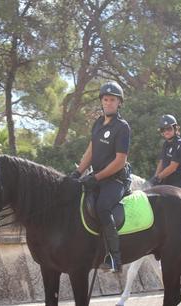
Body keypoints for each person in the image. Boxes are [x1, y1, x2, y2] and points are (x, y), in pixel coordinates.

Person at [69, 81, 131, 273]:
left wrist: (96, 177)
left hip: (115, 180)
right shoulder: (98, 123)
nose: (108, 103)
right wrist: (79, 172)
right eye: (105, 99)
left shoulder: (122, 127)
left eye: (112, 100)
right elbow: (91, 150)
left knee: (102, 207)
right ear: (101, 101)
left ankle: (114, 258)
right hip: (97, 177)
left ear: (119, 103)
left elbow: (120, 161)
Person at [148, 114, 181, 191]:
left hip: (180, 182)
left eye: (169, 129)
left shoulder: (180, 144)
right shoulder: (166, 144)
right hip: (167, 179)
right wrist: (155, 177)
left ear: (175, 128)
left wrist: (158, 177)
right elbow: (162, 162)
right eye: (163, 130)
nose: (166, 132)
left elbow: (172, 167)